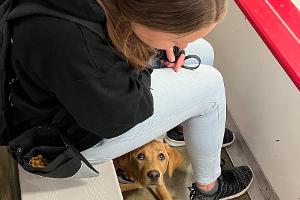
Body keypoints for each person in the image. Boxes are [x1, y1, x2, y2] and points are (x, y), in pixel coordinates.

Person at [8, 0, 253, 199]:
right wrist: (143, 53)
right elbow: (123, 117)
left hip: (64, 93)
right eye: (178, 38)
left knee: (202, 51)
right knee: (209, 86)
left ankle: (181, 127)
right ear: (150, 17)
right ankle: (209, 189)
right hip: (63, 143)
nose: (183, 44)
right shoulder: (73, 43)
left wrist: (163, 46)